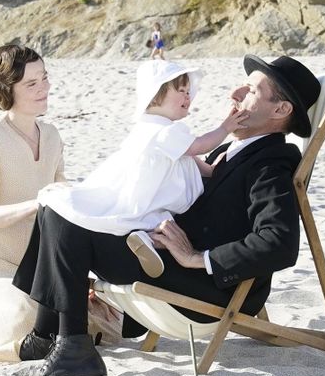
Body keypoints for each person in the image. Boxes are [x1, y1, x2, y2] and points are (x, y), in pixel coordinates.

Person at [12, 53, 322, 376]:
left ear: (280, 110)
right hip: (162, 255)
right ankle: (50, 336)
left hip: (202, 288)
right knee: (55, 205)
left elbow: (279, 243)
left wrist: (196, 257)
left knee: (66, 219)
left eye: (251, 91)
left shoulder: (271, 163)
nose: (235, 94)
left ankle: (71, 344)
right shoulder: (229, 153)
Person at [0, 44, 120, 365]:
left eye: (44, 78)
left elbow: (64, 205)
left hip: (38, 268)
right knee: (26, 318)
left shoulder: (51, 135)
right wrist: (38, 203)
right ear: (7, 89)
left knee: (110, 317)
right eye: (31, 84)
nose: (44, 88)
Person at [38, 60, 249, 279]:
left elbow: (188, 157)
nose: (188, 97)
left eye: (189, 91)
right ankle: (148, 240)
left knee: (152, 218)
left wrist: (210, 170)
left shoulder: (151, 127)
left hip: (147, 187)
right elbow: (199, 146)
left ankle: (146, 240)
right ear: (156, 95)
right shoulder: (164, 131)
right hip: (154, 191)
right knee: (150, 214)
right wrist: (225, 127)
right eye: (181, 91)